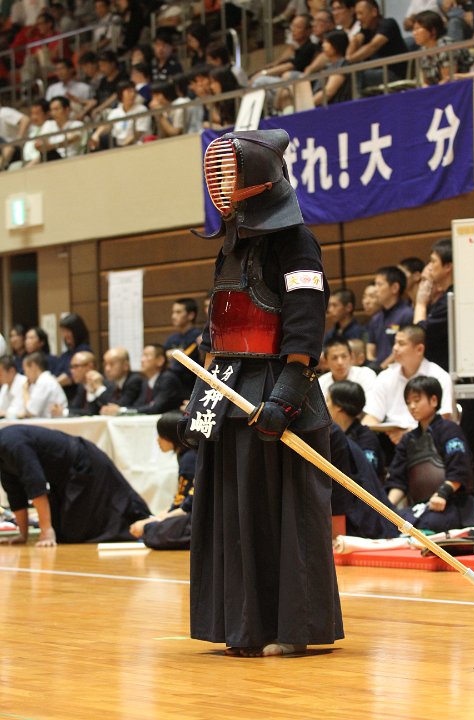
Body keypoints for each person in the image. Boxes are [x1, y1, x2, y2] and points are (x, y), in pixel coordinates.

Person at [183, 129, 343, 657]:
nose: (221, 186)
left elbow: (305, 324)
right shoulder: (231, 242)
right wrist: (199, 407)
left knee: (281, 514)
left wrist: (289, 394)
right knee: (231, 514)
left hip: (275, 391)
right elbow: (218, 333)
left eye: (229, 174)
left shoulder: (298, 242)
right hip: (230, 388)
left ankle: (289, 628)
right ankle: (243, 625)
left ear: (256, 179)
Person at [0, 425, 151, 546]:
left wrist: (46, 531)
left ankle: (145, 526)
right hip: (63, 478)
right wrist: (23, 535)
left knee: (79, 531)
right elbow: (15, 494)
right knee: (62, 533)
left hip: (84, 463)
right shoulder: (3, 455)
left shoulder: (13, 444)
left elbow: (36, 486)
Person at [385, 376, 474, 532]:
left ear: (433, 400)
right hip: (421, 507)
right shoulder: (408, 439)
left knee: (429, 524)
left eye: (416, 400)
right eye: (408, 402)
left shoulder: (449, 430)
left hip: (452, 504)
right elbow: (397, 480)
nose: (412, 406)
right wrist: (386, 509)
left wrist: (442, 493)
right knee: (388, 525)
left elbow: (460, 470)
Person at [363, 325, 454, 445]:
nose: (395, 348)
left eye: (401, 344)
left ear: (419, 349)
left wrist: (408, 435)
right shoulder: (385, 376)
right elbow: (372, 416)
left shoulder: (440, 376)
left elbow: (443, 417)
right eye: (395, 343)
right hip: (389, 440)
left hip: (428, 440)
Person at [129, 410, 195, 549]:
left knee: (153, 530)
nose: (157, 440)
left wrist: (152, 522)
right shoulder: (185, 455)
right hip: (188, 513)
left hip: (195, 517)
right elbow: (180, 501)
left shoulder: (189, 459)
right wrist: (156, 519)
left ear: (170, 436)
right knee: (152, 527)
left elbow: (187, 506)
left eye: (160, 435)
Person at [101, 344, 184, 415]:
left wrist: (122, 410)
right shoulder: (146, 381)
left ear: (160, 361)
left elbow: (155, 408)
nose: (142, 360)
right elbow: (139, 405)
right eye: (142, 356)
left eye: (146, 356)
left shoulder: (168, 379)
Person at [328, 380, 384, 480]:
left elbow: (366, 477)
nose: (324, 405)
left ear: (339, 406)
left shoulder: (367, 439)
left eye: (328, 400)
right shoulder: (329, 435)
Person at [346, 0, 408, 88]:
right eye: (356, 14)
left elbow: (372, 47)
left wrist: (349, 60)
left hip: (394, 73)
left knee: (354, 77)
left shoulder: (388, 24)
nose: (358, 18)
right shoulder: (365, 30)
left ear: (374, 12)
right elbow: (351, 50)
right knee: (350, 76)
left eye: (361, 13)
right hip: (376, 72)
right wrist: (355, 39)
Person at [413, 237, 452, 371]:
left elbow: (418, 336)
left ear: (447, 267)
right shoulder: (443, 300)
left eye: (433, 261)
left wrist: (420, 304)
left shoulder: (450, 300)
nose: (430, 266)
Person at [367, 265, 413, 368]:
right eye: (375, 284)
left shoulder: (407, 314)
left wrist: (383, 367)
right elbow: (370, 348)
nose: (375, 289)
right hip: (379, 371)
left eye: (379, 285)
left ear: (394, 288)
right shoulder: (376, 318)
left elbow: (404, 348)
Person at [412, 10, 473, 85]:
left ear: (433, 30)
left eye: (417, 29)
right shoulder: (422, 51)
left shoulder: (446, 45)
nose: (414, 33)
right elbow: (426, 82)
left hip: (466, 85)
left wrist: (432, 90)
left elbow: (447, 79)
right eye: (413, 30)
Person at [89, 80, 152, 149]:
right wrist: (96, 134)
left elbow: (138, 133)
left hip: (137, 145)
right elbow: (107, 125)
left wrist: (122, 147)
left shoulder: (142, 109)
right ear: (121, 94)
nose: (132, 94)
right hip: (118, 145)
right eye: (129, 91)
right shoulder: (116, 112)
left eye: (134, 91)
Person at [164, 298, 202, 397]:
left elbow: (183, 361)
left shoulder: (198, 337)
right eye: (173, 312)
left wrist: (170, 355)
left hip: (191, 386)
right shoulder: (172, 338)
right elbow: (162, 359)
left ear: (191, 315)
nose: (173, 316)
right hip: (173, 386)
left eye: (178, 312)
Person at [320, 337, 377, 403]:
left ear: (351, 357)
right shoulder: (321, 383)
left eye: (344, 356)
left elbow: (370, 405)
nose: (340, 362)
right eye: (334, 358)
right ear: (326, 361)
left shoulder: (366, 374)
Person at [34, 96, 84, 161]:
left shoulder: (77, 124)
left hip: (70, 159)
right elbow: (40, 143)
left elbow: (72, 139)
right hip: (52, 157)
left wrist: (49, 146)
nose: (53, 113)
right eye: (52, 110)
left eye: (56, 109)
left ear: (67, 110)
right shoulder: (48, 124)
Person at [95, 347, 143, 413]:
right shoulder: (111, 383)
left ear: (126, 365)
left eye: (112, 364)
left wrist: (99, 389)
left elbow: (119, 406)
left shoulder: (134, 380)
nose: (107, 369)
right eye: (105, 364)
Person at [22, 351, 68, 418]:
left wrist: (25, 390)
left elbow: (31, 411)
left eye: (25, 370)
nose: (25, 374)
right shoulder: (42, 381)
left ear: (33, 366)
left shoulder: (44, 381)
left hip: (60, 422)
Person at [312, 29, 352, 106]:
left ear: (336, 45)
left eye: (326, 42)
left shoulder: (342, 64)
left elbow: (329, 92)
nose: (323, 45)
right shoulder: (328, 67)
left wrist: (308, 105)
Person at [55, 313, 92, 391]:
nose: (65, 335)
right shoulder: (65, 355)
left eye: (68, 331)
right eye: (63, 331)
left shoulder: (84, 351)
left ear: (77, 331)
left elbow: (70, 377)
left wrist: (52, 385)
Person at [0, 100, 29, 170]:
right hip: (9, 151)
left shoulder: (4, 112)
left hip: (19, 149)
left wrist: (18, 139)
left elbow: (25, 120)